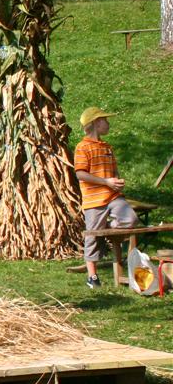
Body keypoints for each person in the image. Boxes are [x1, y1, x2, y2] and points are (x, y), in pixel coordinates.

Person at [75, 106, 139, 289]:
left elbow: (114, 172)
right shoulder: (82, 147)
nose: (108, 123)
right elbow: (80, 174)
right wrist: (106, 182)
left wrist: (116, 182)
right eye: (105, 120)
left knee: (131, 219)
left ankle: (106, 229)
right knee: (92, 238)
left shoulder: (107, 147)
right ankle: (92, 277)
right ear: (96, 123)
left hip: (113, 196)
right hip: (94, 200)